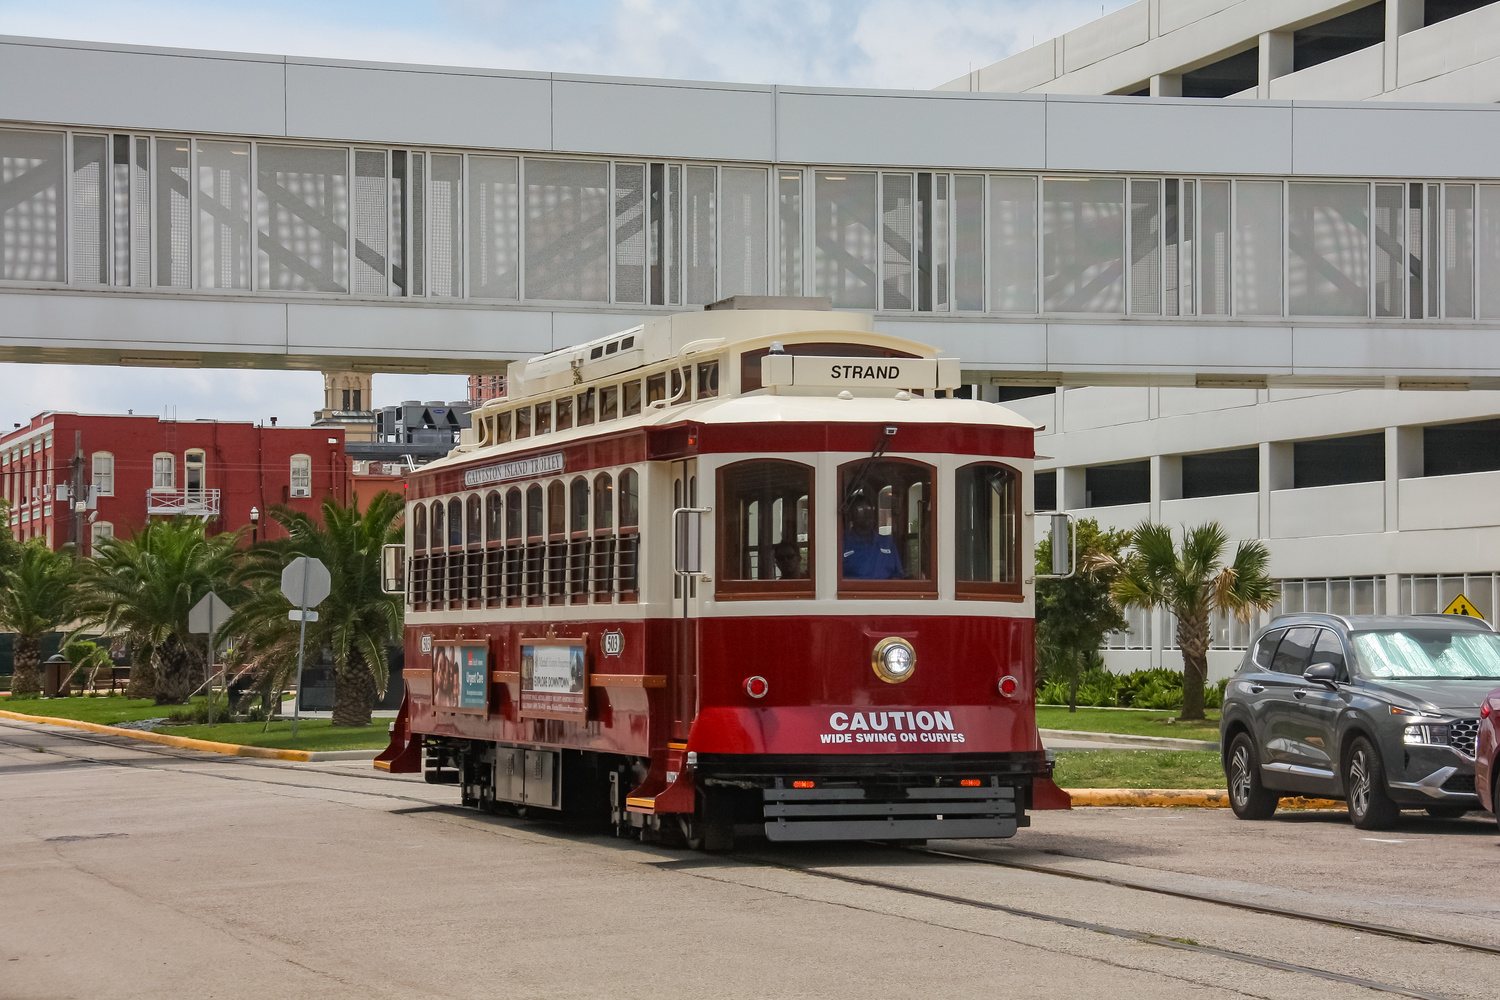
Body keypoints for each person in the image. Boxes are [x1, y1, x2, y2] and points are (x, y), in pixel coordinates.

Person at [841, 495, 903, 580]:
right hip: (853, 592)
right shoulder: (842, 544)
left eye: (870, 510)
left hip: (884, 591)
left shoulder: (887, 543)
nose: (867, 514)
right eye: (861, 510)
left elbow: (898, 576)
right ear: (851, 515)